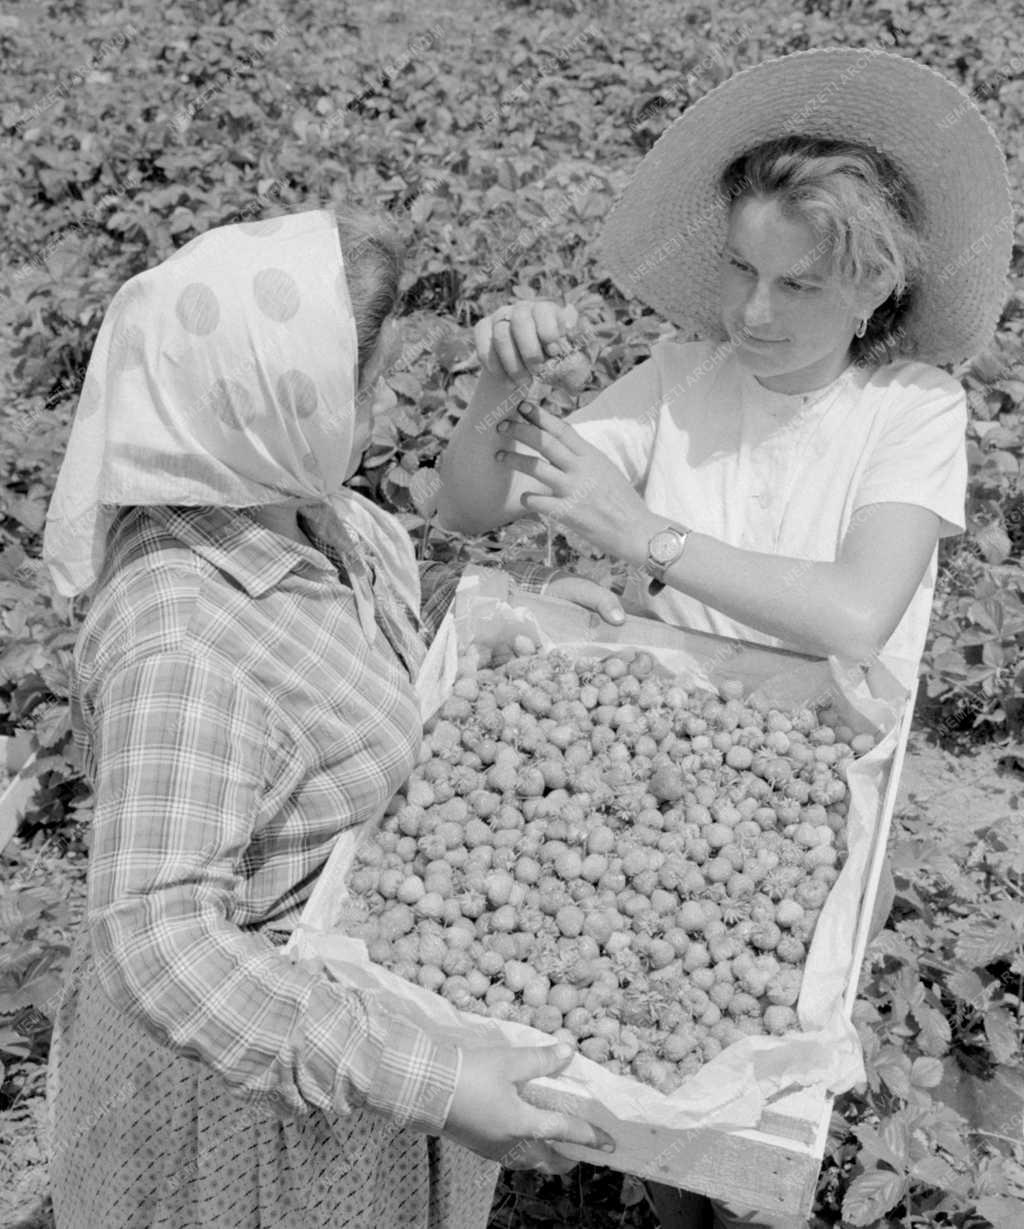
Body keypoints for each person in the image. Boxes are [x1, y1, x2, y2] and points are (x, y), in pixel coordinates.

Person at [435, 47, 1012, 1229]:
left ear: (872, 286)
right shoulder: (680, 376)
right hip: (664, 765)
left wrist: (644, 536)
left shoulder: (907, 414)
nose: (753, 311)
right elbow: (474, 509)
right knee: (663, 1072)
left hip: (814, 779)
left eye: (797, 287)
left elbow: (858, 611)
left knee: (759, 1123)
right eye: (743, 271)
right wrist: (500, 392)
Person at [41, 207, 619, 1229]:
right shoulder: (182, 643)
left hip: (355, 1018)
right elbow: (163, 938)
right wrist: (430, 1077)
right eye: (371, 383)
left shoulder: (309, 506)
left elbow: (354, 650)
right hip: (244, 1100)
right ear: (277, 406)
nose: (390, 400)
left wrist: (500, 629)